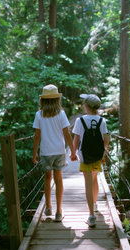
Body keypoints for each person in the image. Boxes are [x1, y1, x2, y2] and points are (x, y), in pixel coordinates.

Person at [33, 84, 77, 222]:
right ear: (57, 99)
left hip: (46, 152)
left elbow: (37, 135)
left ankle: (48, 207)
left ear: (43, 100)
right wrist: (73, 151)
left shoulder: (39, 114)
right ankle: (58, 211)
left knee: (47, 179)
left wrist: (34, 153)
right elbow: (67, 133)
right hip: (59, 151)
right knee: (58, 180)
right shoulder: (61, 114)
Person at [72, 94, 109, 227]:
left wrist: (72, 153)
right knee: (94, 180)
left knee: (88, 183)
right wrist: (103, 154)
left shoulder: (80, 121)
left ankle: (91, 215)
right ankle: (94, 204)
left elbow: (76, 139)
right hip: (97, 156)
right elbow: (106, 140)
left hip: (84, 156)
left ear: (86, 106)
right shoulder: (102, 121)